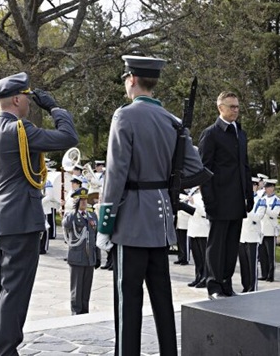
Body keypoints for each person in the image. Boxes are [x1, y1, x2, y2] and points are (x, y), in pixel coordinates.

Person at [95, 55, 209, 356]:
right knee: (161, 296)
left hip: (131, 219)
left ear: (132, 79)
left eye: (124, 78)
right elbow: (195, 168)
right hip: (161, 220)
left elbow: (116, 174)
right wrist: (166, 182)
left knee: (128, 300)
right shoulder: (172, 121)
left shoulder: (125, 116)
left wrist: (105, 224)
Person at [0, 72, 78, 356]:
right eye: (28, 99)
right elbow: (69, 137)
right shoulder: (19, 130)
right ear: (17, 98)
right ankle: (7, 350)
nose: (30, 105)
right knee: (15, 290)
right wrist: (55, 108)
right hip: (21, 220)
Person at [198, 91, 253, 300]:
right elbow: (204, 170)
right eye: (231, 106)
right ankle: (213, 286)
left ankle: (226, 283)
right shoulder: (211, 134)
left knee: (231, 246)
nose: (236, 110)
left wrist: (249, 194)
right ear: (220, 108)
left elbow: (244, 166)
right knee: (217, 245)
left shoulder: (240, 133)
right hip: (219, 199)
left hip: (237, 199)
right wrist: (209, 200)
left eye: (237, 106)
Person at [62, 187, 100, 315]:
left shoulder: (92, 215)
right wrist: (74, 210)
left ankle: (85, 311)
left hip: (89, 258)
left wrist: (97, 257)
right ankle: (76, 312)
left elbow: (95, 237)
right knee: (76, 288)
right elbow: (66, 225)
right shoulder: (72, 216)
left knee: (86, 288)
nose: (84, 202)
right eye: (81, 200)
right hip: (77, 257)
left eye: (85, 200)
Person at [239, 177, 267, 292]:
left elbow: (258, 217)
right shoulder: (241, 199)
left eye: (252, 186)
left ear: (256, 186)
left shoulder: (261, 200)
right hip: (242, 236)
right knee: (244, 265)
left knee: (252, 264)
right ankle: (245, 286)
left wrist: (247, 210)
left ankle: (252, 288)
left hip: (253, 236)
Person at [258, 179, 280, 282]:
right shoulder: (262, 198)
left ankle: (270, 275)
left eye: (268, 187)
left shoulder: (277, 200)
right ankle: (264, 273)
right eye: (265, 187)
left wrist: (265, 208)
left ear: (272, 188)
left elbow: (275, 214)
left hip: (271, 230)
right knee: (262, 254)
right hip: (262, 230)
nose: (266, 189)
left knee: (270, 255)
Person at [186, 186, 209, 288]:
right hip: (193, 230)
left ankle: (205, 279)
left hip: (203, 230)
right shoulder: (193, 196)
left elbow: (205, 213)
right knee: (197, 257)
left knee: (204, 257)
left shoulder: (206, 196)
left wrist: (193, 204)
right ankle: (198, 277)